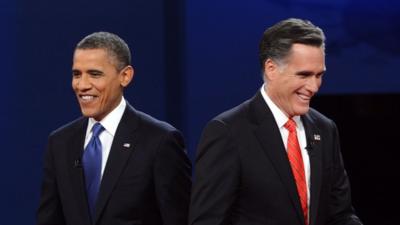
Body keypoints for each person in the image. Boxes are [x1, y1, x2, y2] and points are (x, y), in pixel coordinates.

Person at [189, 18, 362, 225]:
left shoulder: (324, 129)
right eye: (304, 75)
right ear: (271, 68)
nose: (314, 87)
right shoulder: (228, 132)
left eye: (319, 75)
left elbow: (340, 214)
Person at [37, 32, 191, 225]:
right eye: (77, 74)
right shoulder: (60, 142)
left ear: (125, 76)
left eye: (94, 74)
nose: (82, 85)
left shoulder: (160, 141)